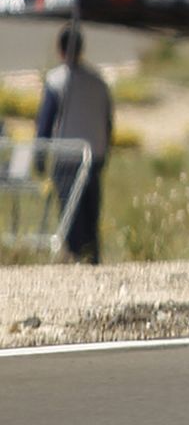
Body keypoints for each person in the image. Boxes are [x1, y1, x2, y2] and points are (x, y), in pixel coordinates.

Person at [35, 26, 114, 264]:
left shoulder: (57, 80)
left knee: (71, 214)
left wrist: (39, 157)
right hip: (95, 155)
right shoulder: (99, 82)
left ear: (60, 49)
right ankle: (92, 259)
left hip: (68, 157)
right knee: (90, 214)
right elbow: (108, 122)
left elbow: (45, 122)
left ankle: (76, 259)